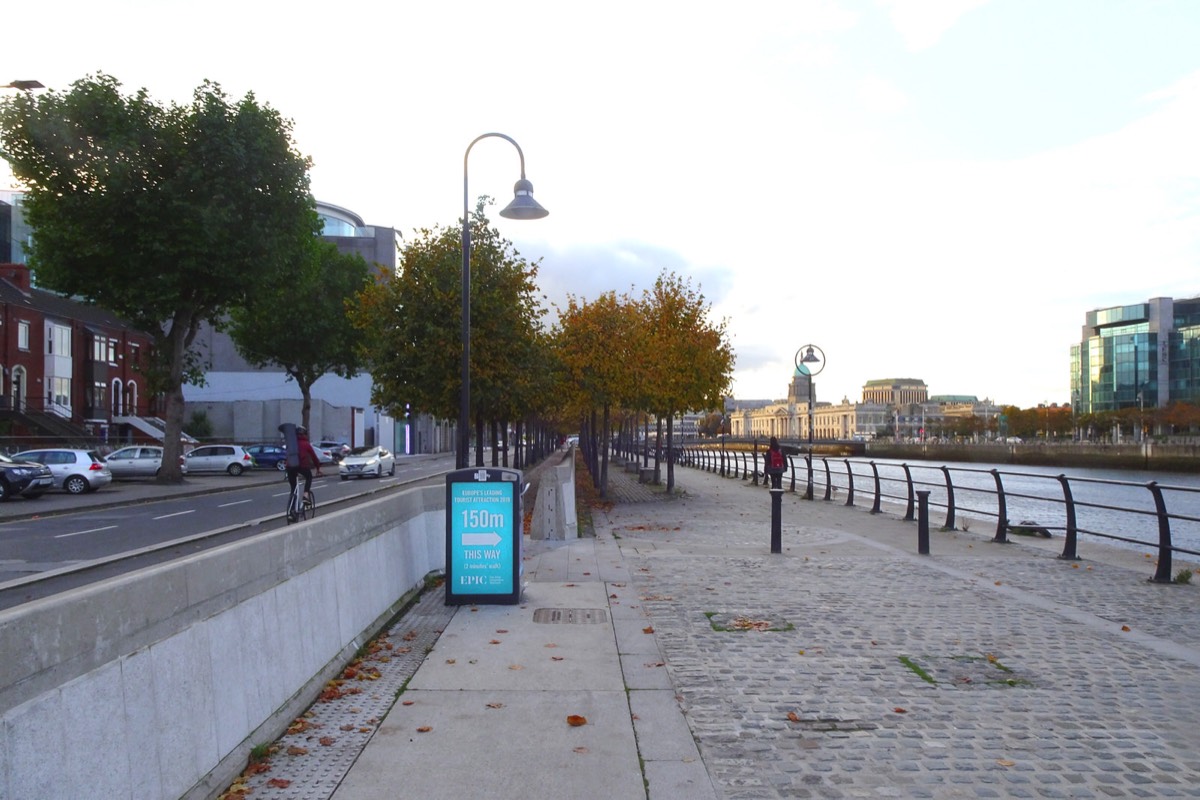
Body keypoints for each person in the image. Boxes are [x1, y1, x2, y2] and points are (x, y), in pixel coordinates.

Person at [287, 426, 322, 517]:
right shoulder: (306, 444)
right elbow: (314, 457)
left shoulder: (291, 443)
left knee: (293, 489)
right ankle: (306, 495)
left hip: (290, 467)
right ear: (304, 434)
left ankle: (292, 511)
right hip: (302, 467)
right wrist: (318, 468)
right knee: (309, 477)